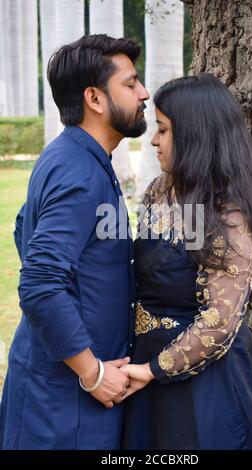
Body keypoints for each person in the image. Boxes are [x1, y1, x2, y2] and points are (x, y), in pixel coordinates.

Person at [120, 74, 252, 450]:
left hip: (208, 383)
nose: (154, 140)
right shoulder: (158, 192)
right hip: (144, 370)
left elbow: (220, 319)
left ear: (195, 135)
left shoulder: (231, 213)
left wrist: (153, 370)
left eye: (163, 130)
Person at [0, 34, 149, 450]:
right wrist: (93, 372)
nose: (144, 93)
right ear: (95, 99)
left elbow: (22, 230)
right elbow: (39, 283)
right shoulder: (79, 173)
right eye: (131, 83)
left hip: (59, 389)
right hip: (66, 406)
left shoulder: (67, 154)